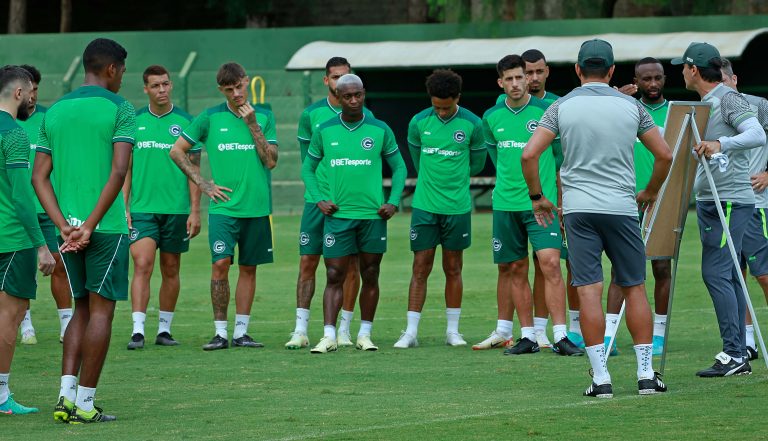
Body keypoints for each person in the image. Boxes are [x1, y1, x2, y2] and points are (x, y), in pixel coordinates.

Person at [522, 39, 671, 397]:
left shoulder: (560, 106)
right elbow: (665, 155)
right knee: (634, 286)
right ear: (611, 71)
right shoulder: (633, 106)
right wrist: (650, 192)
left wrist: (538, 198)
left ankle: (601, 379)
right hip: (621, 208)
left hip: (579, 210)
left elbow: (529, 155)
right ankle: (645, 375)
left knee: (589, 290)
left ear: (577, 70)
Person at [34, 38, 136, 423]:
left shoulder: (55, 110)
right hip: (105, 229)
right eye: (122, 70)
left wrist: (65, 225)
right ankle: (86, 404)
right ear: (111, 69)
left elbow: (39, 177)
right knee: (101, 313)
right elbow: (119, 171)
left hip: (68, 231)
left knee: (80, 307)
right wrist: (91, 225)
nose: (122, 77)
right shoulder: (121, 108)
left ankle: (65, 397)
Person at [474, 55, 581, 356]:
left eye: (519, 77)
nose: (516, 83)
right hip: (505, 204)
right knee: (516, 267)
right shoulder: (490, 117)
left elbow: (559, 158)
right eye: (509, 79)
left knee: (550, 263)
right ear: (500, 83)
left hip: (541, 205)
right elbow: (498, 159)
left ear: (527, 79)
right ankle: (528, 336)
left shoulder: (547, 111)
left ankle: (560, 335)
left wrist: (555, 196)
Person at [672, 43, 765, 377]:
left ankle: (735, 353)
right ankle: (738, 352)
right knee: (729, 274)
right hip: (714, 201)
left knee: (716, 274)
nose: (681, 73)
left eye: (683, 67)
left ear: (694, 70)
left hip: (728, 200)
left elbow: (756, 134)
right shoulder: (706, 103)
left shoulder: (727, 98)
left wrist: (720, 144)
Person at [170, 62, 278, 351]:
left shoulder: (264, 116)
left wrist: (252, 124)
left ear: (247, 81)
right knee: (220, 265)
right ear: (221, 90)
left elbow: (270, 161)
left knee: (249, 268)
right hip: (223, 209)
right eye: (229, 90)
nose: (236, 94)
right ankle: (220, 333)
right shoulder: (209, 117)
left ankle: (241, 332)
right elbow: (176, 150)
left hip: (256, 208)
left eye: (239, 87)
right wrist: (203, 183)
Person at [302, 74, 406, 353]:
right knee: (334, 273)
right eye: (347, 96)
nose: (353, 100)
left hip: (373, 217)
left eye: (357, 95)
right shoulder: (324, 130)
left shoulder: (380, 128)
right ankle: (328, 336)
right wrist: (319, 199)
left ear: (363, 94)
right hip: (339, 216)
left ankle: (365, 334)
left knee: (370, 273)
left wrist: (393, 201)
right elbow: (307, 168)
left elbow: (399, 167)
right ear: (337, 96)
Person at [393, 69, 486, 349]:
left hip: (457, 207)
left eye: (446, 107)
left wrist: (453, 181)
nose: (442, 112)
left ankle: (453, 332)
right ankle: (410, 332)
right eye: (437, 107)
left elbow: (477, 164)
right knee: (420, 267)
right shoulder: (418, 122)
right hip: (424, 206)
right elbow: (417, 160)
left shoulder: (473, 124)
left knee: (453, 268)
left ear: (457, 98)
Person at [287, 57, 366, 349]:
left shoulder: (365, 115)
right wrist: (318, 195)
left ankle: (343, 330)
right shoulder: (311, 114)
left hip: (348, 205)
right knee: (308, 261)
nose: (341, 82)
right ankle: (300, 330)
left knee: (351, 266)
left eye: (345, 76)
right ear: (326, 81)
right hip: (316, 202)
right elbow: (307, 162)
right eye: (335, 77)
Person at [124, 65, 202, 350]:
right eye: (155, 85)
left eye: (165, 84)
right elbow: (125, 169)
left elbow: (194, 170)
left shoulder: (187, 122)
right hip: (142, 209)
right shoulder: (133, 122)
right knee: (142, 264)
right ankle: (137, 331)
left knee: (171, 268)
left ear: (171, 85)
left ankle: (164, 330)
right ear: (145, 88)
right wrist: (124, 207)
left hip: (176, 210)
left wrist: (195, 210)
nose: (161, 90)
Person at [604, 57, 672, 357]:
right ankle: (608, 336)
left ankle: (659, 335)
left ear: (665, 79)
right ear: (636, 80)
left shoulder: (676, 112)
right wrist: (616, 98)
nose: (653, 84)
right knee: (621, 269)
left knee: (661, 266)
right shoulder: (625, 108)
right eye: (646, 79)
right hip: (627, 199)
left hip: (662, 199)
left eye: (658, 77)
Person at [0, 65, 56, 415]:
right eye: (30, 92)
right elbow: (22, 197)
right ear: (19, 93)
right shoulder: (15, 134)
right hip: (11, 240)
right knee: (11, 315)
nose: (32, 98)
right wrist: (41, 246)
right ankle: (1, 395)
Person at [15, 64, 72, 345]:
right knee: (22, 269)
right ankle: (25, 324)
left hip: (49, 209)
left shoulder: (50, 120)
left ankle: (66, 324)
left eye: (36, 89)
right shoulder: (6, 122)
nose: (33, 95)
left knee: (59, 264)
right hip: (16, 211)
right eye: (28, 90)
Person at [721, 58, 768, 361]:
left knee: (763, 274)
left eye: (724, 81)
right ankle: (747, 341)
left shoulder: (759, 106)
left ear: (734, 79)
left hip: (755, 203)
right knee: (733, 274)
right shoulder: (710, 109)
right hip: (723, 203)